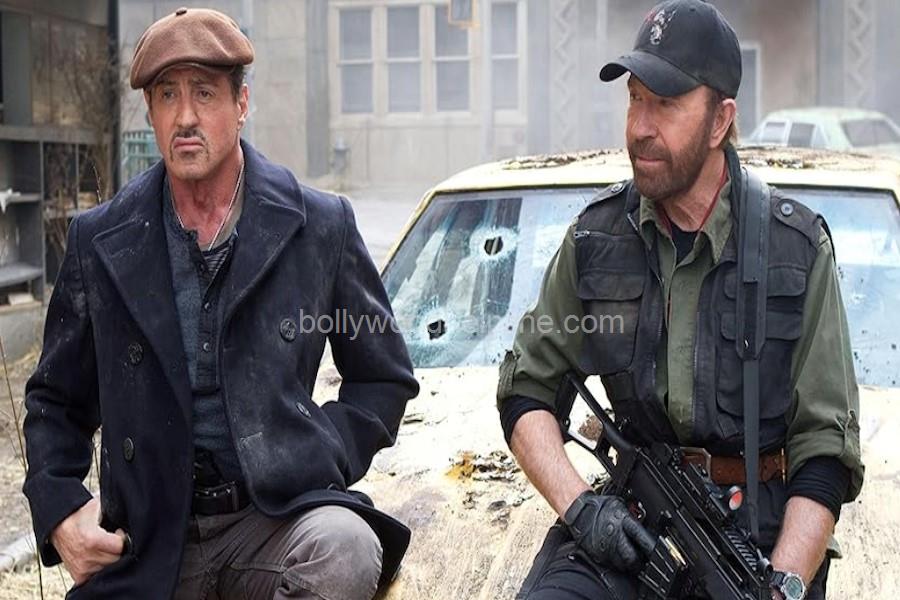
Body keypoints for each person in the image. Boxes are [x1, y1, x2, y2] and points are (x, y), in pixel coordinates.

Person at [22, 7, 418, 600]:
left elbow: (383, 377)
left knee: (345, 548)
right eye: (167, 95)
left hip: (274, 519)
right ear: (150, 112)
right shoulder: (100, 240)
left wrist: (321, 447)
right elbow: (54, 400)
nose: (185, 117)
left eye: (204, 93)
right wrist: (61, 511)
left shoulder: (318, 225)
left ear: (241, 104)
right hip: (146, 540)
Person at [497, 1, 863, 599]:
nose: (639, 126)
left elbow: (825, 450)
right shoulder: (595, 238)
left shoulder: (796, 249)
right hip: (630, 528)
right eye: (634, 99)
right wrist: (583, 509)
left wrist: (783, 584)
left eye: (664, 104)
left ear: (720, 122)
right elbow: (526, 390)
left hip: (758, 542)